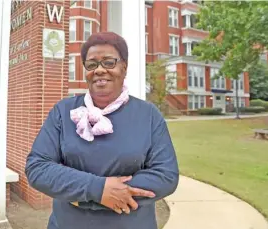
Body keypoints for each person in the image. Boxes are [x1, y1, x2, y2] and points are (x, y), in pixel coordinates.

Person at [25, 32, 179, 229]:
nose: (99, 70)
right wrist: (98, 190)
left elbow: (165, 175)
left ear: (124, 67)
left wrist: (82, 199)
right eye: (91, 64)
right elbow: (38, 168)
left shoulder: (148, 115)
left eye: (109, 62)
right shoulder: (63, 112)